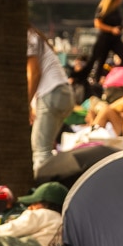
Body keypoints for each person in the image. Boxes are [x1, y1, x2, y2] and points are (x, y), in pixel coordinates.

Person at [27, 25, 74, 174]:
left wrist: (26, 103)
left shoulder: (27, 37)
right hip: (62, 92)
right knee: (46, 147)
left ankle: (43, 193)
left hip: (52, 93)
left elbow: (34, 73)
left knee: (41, 151)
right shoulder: (36, 36)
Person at [86, 0, 123, 88]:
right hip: (105, 38)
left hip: (116, 38)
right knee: (101, 60)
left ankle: (118, 78)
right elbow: (97, 23)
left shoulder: (117, 9)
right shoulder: (103, 8)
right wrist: (111, 29)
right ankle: (97, 82)